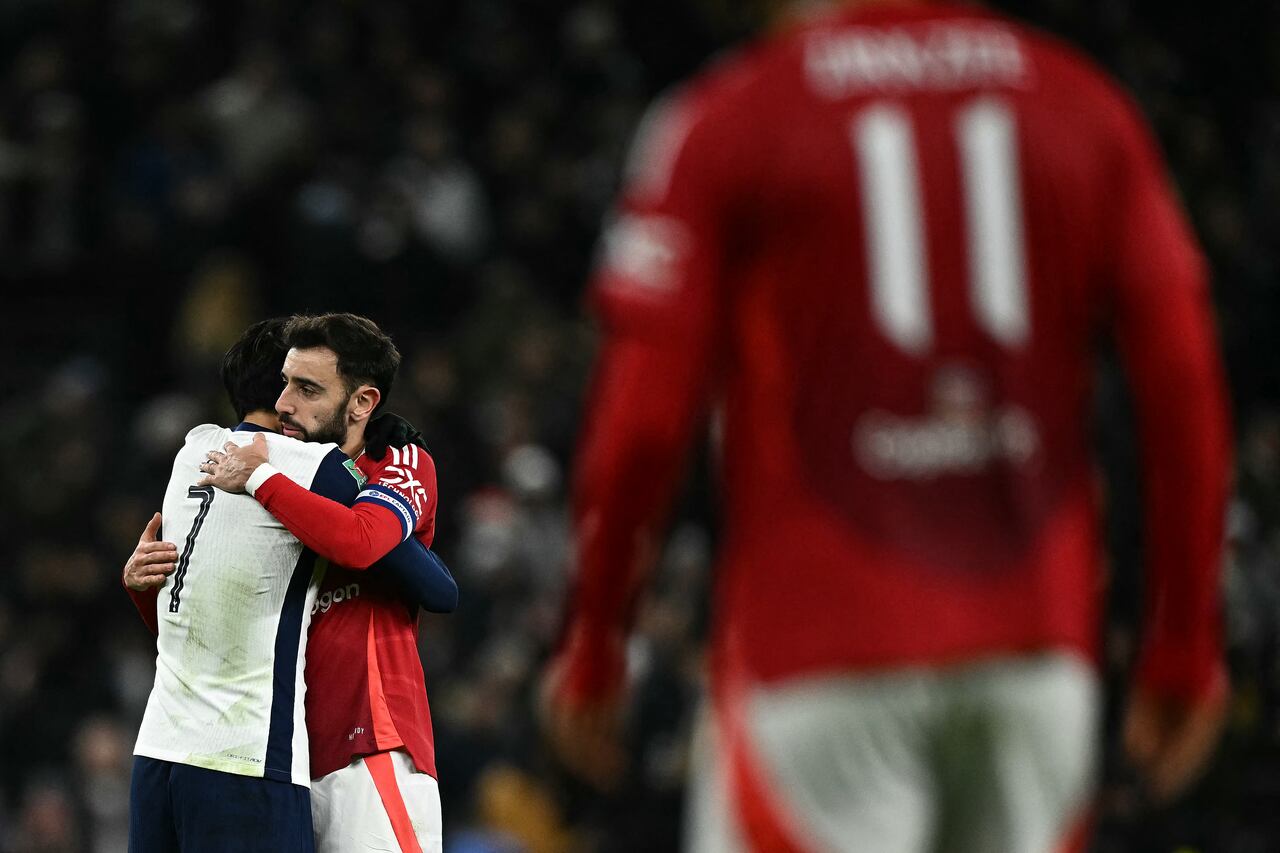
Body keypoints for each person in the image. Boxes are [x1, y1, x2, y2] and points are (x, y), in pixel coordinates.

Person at [541, 2, 1233, 851]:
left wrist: (596, 641)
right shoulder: (1081, 102)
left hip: (819, 655)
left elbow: (642, 427)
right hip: (1034, 656)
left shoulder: (735, 114)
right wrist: (1184, 643)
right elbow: (1185, 385)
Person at [125, 317, 454, 853]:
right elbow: (202, 627)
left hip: (366, 741)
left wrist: (266, 478)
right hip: (288, 749)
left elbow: (440, 590)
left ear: (360, 401)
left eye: (305, 389)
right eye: (284, 384)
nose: (286, 404)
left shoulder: (389, 462)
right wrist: (145, 583)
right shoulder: (258, 474)